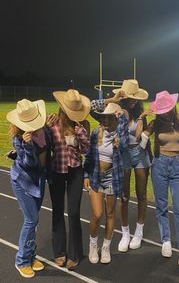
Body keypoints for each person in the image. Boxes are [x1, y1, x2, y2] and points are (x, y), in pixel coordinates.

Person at [144, 90, 179, 267]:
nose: (165, 112)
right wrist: (141, 118)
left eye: (167, 109)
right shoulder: (155, 124)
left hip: (178, 165)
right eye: (162, 110)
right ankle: (166, 241)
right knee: (161, 206)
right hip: (160, 164)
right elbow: (140, 137)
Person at [7, 99, 51, 278]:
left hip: (39, 180)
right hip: (23, 181)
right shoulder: (18, 139)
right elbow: (29, 164)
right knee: (31, 220)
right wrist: (27, 145)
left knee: (34, 220)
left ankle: (31, 256)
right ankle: (22, 260)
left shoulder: (42, 131)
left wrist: (49, 125)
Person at [47, 89, 90, 270]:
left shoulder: (82, 125)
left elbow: (85, 150)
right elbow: (45, 146)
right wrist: (46, 128)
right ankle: (59, 252)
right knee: (57, 211)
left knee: (73, 212)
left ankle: (75, 253)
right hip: (56, 171)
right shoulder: (53, 124)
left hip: (75, 172)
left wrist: (81, 132)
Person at [83, 103, 129, 264]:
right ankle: (93, 244)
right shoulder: (96, 132)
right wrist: (86, 174)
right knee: (97, 214)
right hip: (95, 176)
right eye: (104, 118)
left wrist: (121, 119)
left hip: (112, 177)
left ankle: (106, 247)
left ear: (115, 119)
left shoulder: (120, 134)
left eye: (110, 118)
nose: (106, 121)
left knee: (110, 214)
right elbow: (89, 156)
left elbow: (124, 146)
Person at [111, 79, 151, 252]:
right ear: (123, 97)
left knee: (141, 194)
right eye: (129, 97)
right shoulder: (116, 111)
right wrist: (113, 102)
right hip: (124, 155)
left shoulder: (140, 113)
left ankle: (139, 232)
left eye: (135, 98)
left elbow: (138, 134)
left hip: (140, 154)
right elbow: (94, 108)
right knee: (124, 195)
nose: (133, 100)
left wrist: (141, 119)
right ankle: (125, 233)